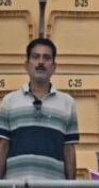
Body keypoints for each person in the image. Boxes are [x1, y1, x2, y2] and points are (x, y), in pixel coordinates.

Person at [0, 39, 78, 180]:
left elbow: (69, 149)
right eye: (35, 57)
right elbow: (3, 146)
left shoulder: (68, 103)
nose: (41, 62)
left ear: (54, 66)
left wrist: (71, 184)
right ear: (26, 65)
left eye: (46, 58)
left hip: (53, 183)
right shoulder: (9, 101)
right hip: (15, 183)